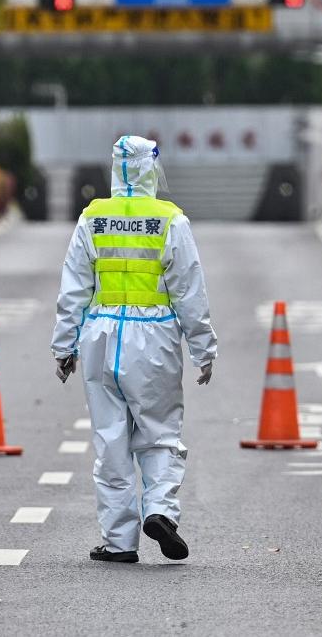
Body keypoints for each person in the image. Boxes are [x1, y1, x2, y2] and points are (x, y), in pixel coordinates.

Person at [51, 135, 217, 563]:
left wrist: (63, 346)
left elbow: (73, 289)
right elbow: (189, 290)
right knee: (159, 431)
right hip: (155, 336)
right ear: (150, 170)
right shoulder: (170, 220)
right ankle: (160, 508)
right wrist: (203, 348)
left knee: (111, 441)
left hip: (100, 336)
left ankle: (119, 542)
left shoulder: (93, 218)